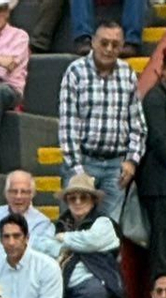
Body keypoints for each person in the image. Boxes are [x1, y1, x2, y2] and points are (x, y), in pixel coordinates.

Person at [56, 22, 141, 210]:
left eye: (115, 44)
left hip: (116, 168)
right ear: (93, 42)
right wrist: (77, 170)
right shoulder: (75, 71)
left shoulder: (128, 74)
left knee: (109, 232)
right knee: (73, 231)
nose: (109, 49)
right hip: (83, 161)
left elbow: (137, 124)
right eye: (104, 43)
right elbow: (67, 125)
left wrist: (131, 160)